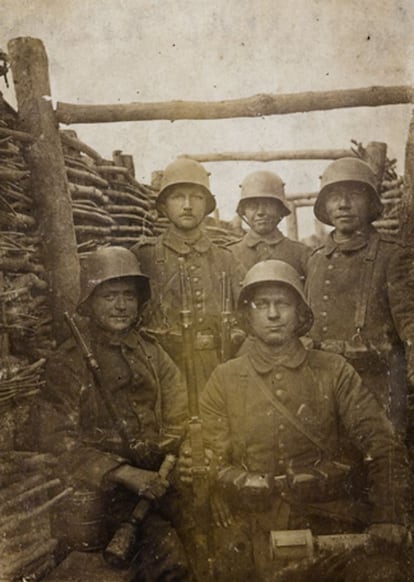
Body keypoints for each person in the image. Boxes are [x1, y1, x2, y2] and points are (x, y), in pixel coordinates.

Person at [191, 260, 411, 581]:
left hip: (329, 515)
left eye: (283, 303)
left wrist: (388, 516)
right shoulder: (224, 378)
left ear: (300, 313)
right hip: (254, 522)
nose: (273, 314)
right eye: (261, 305)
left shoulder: (333, 370)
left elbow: (381, 442)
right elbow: (210, 456)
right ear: (248, 316)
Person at [35, 246, 190, 580]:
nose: (121, 306)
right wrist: (121, 473)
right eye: (109, 296)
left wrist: (166, 463)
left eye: (128, 296)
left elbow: (180, 415)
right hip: (96, 498)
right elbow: (54, 438)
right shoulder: (69, 361)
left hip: (157, 488)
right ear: (90, 301)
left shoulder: (153, 353)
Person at [305, 157, 414, 432]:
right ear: (325, 206)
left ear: (371, 204)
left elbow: (409, 322)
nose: (343, 204)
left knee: (384, 460)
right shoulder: (316, 259)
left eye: (354, 195)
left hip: (379, 384)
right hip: (324, 383)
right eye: (334, 197)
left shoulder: (391, 255)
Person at [131, 158, 245, 390]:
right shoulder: (144, 257)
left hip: (218, 368)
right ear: (163, 206)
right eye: (177, 197)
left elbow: (248, 318)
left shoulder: (226, 259)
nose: (187, 205)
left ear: (207, 205)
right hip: (160, 372)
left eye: (196, 197)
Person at [227, 171, 311, 278]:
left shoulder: (302, 254)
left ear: (280, 209)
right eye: (253, 206)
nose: (261, 212)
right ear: (243, 212)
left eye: (268, 205)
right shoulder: (229, 255)